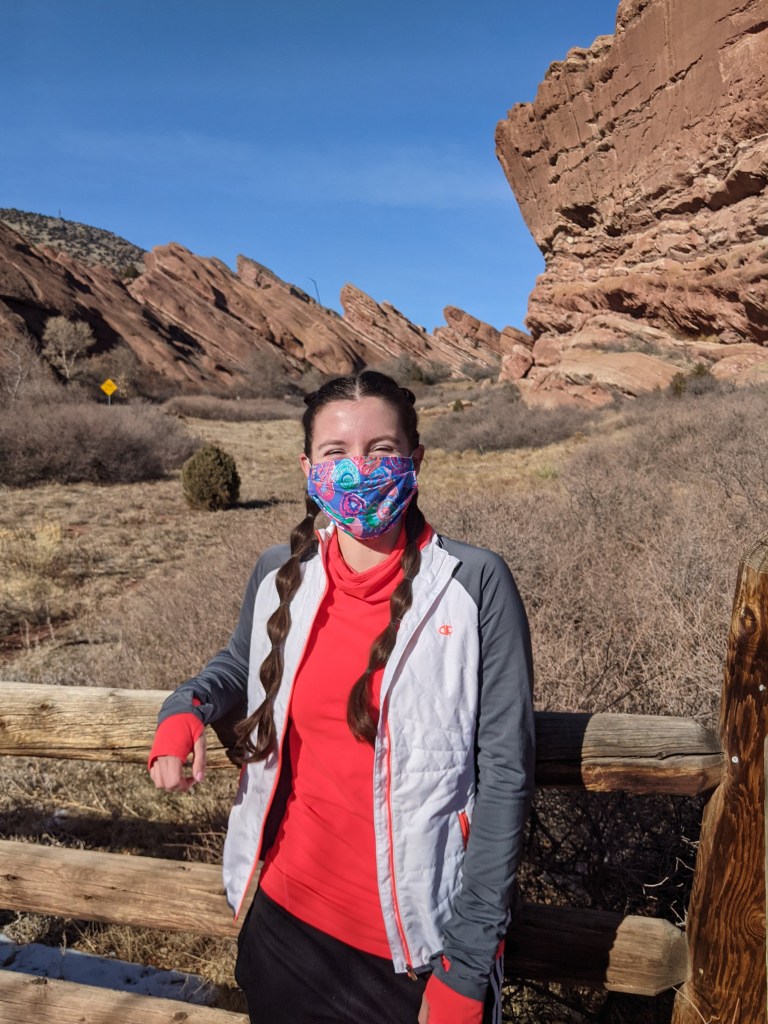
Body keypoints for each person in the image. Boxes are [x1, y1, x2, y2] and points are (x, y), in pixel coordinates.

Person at [149, 371, 535, 1024]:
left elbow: (506, 774)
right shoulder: (281, 572)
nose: (359, 468)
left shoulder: (473, 585)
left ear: (416, 460)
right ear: (307, 468)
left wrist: (467, 967)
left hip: (417, 952)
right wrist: (185, 707)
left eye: (382, 449)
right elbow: (243, 665)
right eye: (336, 453)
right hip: (285, 927)